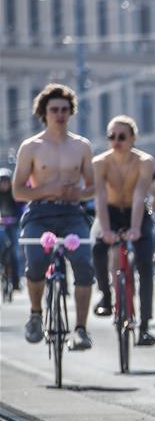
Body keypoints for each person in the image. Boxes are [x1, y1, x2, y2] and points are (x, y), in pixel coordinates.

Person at [12, 83, 95, 349]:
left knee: (84, 263)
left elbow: (92, 187)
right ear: (44, 113)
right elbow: (17, 191)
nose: (59, 114)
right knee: (35, 261)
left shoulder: (81, 146)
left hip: (72, 213)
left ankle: (81, 329)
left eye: (64, 109)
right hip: (40, 213)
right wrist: (46, 189)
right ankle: (36, 314)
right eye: (54, 109)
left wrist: (78, 194)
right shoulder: (31, 146)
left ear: (70, 112)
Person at [91, 115, 155, 346]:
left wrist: (137, 228)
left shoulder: (144, 161)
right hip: (110, 211)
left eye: (121, 136)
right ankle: (106, 298)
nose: (116, 141)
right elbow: (99, 196)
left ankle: (145, 326)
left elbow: (141, 195)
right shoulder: (100, 162)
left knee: (145, 264)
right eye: (111, 136)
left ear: (133, 139)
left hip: (136, 212)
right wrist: (106, 230)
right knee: (98, 248)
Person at [0, 168, 24, 291]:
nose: (3, 184)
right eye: (1, 181)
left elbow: (22, 209)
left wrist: (15, 219)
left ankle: (16, 281)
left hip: (13, 225)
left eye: (6, 181)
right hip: (1, 226)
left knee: (15, 251)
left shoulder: (15, 194)